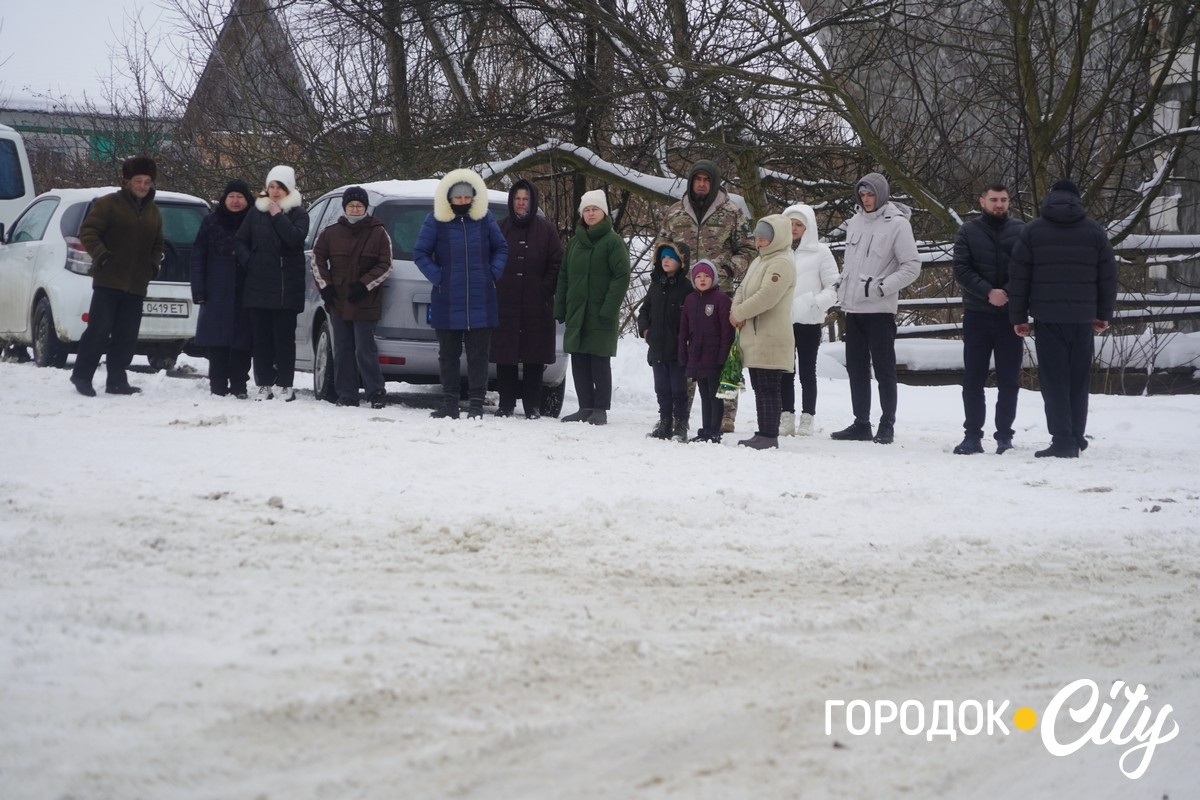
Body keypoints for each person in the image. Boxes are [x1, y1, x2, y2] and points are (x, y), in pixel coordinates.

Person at [1007, 179, 1117, 459]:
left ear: (1050, 198)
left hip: (1048, 317)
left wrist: (1019, 317)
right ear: (1077, 200)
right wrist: (1103, 314)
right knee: (1078, 380)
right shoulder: (1094, 231)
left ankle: (1063, 439)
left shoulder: (1033, 231)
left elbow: (1019, 279)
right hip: (1082, 318)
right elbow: (1107, 278)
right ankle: (1076, 436)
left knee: (1054, 380)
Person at [658, 159, 756, 432]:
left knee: (722, 353)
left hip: (719, 294)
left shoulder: (732, 211)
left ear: (713, 183)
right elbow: (661, 247)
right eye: (697, 179)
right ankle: (681, 413)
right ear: (691, 182)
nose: (701, 184)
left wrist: (726, 269)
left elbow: (748, 250)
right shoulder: (675, 212)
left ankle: (725, 415)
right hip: (684, 294)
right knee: (687, 350)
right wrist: (667, 275)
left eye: (706, 180)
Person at [830, 172, 921, 445]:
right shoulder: (855, 222)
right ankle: (861, 423)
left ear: (881, 194)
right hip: (853, 309)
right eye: (862, 195)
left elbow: (912, 266)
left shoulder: (898, 225)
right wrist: (841, 286)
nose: (866, 199)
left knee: (884, 370)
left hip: (880, 311)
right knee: (856, 369)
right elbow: (852, 264)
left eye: (870, 195)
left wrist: (882, 287)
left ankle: (887, 424)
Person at [413, 169, 507, 419]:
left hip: (481, 299)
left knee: (479, 356)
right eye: (458, 198)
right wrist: (439, 277)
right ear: (449, 198)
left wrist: (492, 273)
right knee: (448, 356)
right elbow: (420, 253)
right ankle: (450, 403)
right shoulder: (435, 220)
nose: (463, 201)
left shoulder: (485, 220)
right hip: (447, 299)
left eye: (467, 197)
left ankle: (476, 404)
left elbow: (501, 248)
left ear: (474, 197)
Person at [70, 155, 164, 397]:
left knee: (126, 335)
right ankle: (82, 375)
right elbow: (88, 231)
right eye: (138, 180)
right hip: (108, 280)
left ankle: (117, 380)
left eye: (147, 181)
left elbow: (158, 243)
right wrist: (101, 255)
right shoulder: (109, 204)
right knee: (98, 331)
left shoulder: (154, 212)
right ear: (127, 181)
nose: (143, 186)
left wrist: (153, 265)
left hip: (136, 284)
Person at [952, 183, 1026, 455]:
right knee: (973, 379)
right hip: (977, 314)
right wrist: (987, 292)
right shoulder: (968, 231)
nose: (999, 204)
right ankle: (972, 435)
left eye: (1004, 200)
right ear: (982, 201)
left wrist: (1006, 292)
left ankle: (1004, 434)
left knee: (1009, 379)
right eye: (994, 199)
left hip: (1010, 316)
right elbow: (961, 268)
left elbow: (1026, 268)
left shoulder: (1021, 231)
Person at [311, 186, 394, 409]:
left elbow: (386, 265)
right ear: (345, 207)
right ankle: (346, 393)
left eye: (359, 205)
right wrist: (325, 287)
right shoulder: (330, 232)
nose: (355, 209)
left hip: (366, 300)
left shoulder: (378, 232)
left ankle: (375, 392)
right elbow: (317, 260)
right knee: (342, 348)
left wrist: (364, 285)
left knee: (364, 349)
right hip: (337, 299)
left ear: (365, 208)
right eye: (351, 205)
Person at [554, 189, 631, 426]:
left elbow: (621, 276)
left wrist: (609, 308)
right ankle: (584, 406)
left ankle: (600, 409)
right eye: (586, 210)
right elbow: (564, 276)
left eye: (594, 209)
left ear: (604, 212)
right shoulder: (576, 242)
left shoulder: (612, 242)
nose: (590, 213)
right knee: (579, 359)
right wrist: (561, 307)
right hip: (577, 311)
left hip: (601, 312)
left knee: (599, 360)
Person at [236, 164, 310, 402]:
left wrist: (278, 216)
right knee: (261, 339)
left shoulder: (299, 214)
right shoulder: (255, 212)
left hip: (285, 288)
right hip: (258, 286)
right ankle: (263, 383)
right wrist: (251, 261)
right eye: (271, 186)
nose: (275, 191)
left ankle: (285, 384)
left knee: (284, 338)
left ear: (289, 189)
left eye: (280, 187)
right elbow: (240, 241)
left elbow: (294, 239)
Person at [491, 179, 563, 418]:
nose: (521, 204)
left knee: (534, 356)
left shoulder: (547, 230)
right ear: (512, 201)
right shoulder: (500, 228)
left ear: (532, 202)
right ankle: (506, 404)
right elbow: (489, 258)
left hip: (537, 303)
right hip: (506, 301)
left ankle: (532, 406)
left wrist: (544, 289)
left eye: (525, 199)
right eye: (517, 199)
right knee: (506, 356)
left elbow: (556, 263)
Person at [730, 215, 796, 449]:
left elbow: (767, 296)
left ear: (776, 238)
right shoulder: (760, 261)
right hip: (756, 336)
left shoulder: (781, 262)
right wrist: (735, 309)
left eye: (763, 239)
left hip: (771, 337)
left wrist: (740, 313)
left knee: (768, 386)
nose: (758, 243)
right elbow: (743, 289)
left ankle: (769, 435)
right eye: (756, 238)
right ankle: (763, 432)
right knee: (760, 385)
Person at [780, 202, 840, 437]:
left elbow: (835, 285)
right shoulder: (779, 250)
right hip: (782, 320)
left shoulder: (821, 252)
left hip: (809, 320)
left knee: (807, 372)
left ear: (808, 227)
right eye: (790, 224)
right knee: (785, 370)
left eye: (799, 224)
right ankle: (786, 417)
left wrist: (815, 303)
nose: (794, 228)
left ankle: (807, 417)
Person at [190, 179, 254, 398]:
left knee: (243, 342)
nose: (235, 201)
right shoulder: (211, 222)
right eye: (231, 196)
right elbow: (198, 256)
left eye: (240, 197)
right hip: (216, 289)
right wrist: (198, 290)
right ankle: (217, 385)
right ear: (224, 199)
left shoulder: (254, 222)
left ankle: (239, 385)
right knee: (217, 342)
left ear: (248, 200)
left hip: (246, 291)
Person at [637, 240, 693, 441]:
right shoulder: (655, 284)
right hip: (657, 347)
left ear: (682, 261)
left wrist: (685, 340)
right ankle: (665, 422)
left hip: (677, 350)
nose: (666, 261)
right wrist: (645, 331)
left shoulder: (687, 288)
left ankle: (681, 424)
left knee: (678, 389)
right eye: (663, 257)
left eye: (671, 257)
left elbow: (691, 318)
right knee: (661, 389)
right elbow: (644, 311)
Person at [679, 259, 734, 443]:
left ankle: (714, 430)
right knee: (703, 393)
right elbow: (684, 329)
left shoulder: (721, 299)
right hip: (696, 354)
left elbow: (727, 331)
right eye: (698, 276)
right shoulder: (690, 299)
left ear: (714, 279)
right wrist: (683, 353)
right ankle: (705, 429)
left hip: (715, 355)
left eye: (707, 276)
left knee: (714, 393)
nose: (702, 280)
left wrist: (723, 355)